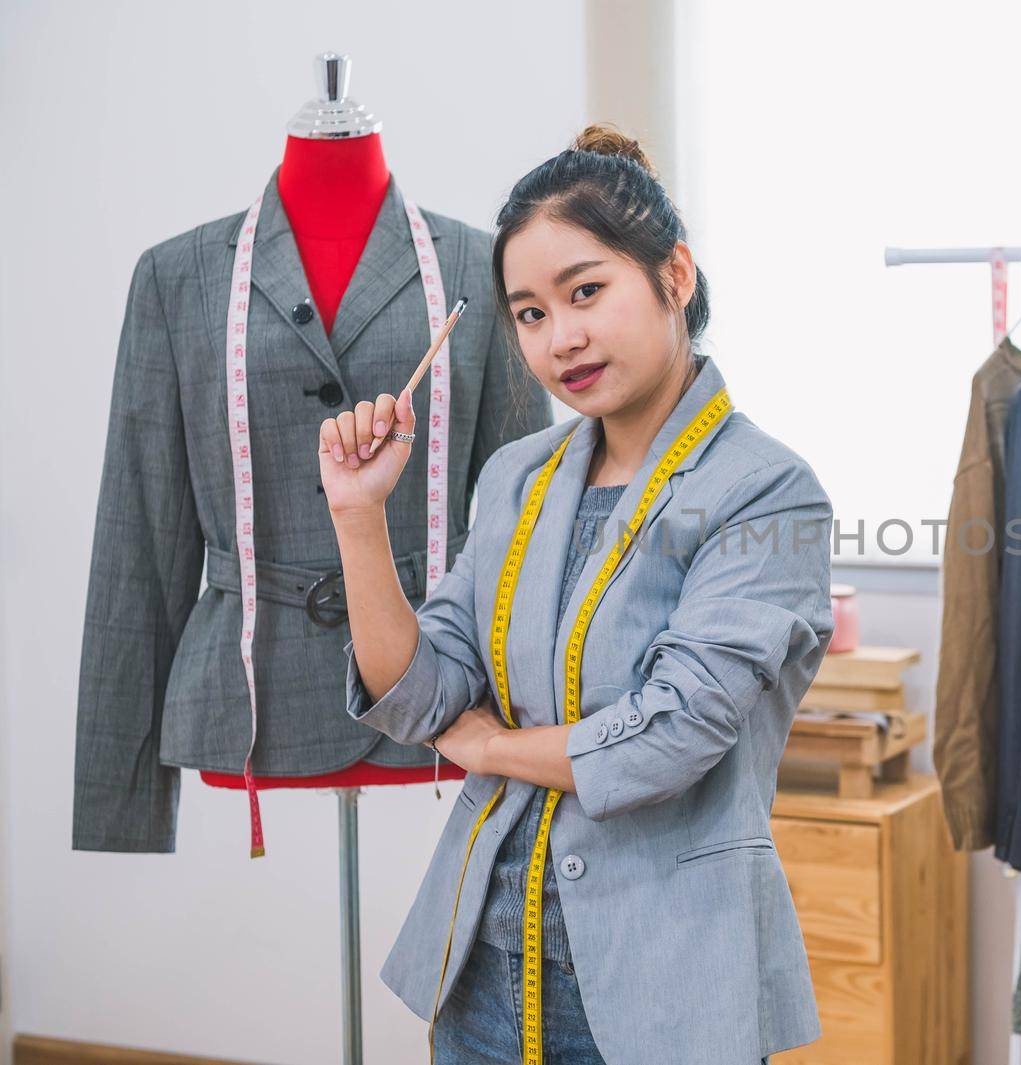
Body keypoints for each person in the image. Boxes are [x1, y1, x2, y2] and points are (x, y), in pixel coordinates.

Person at [321, 124, 834, 1065]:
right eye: (528, 313)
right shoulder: (517, 477)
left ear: (674, 276)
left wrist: (487, 746)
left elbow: (670, 732)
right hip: (483, 963)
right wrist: (358, 517)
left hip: (665, 979)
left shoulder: (769, 490)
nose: (561, 338)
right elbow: (419, 693)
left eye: (586, 292)